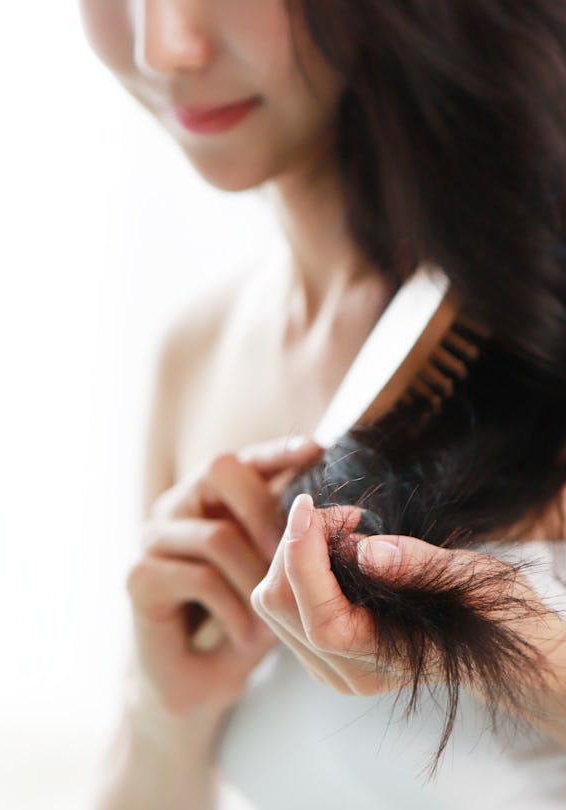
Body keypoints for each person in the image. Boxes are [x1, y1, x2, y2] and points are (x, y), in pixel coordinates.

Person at [79, 1, 566, 807]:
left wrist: (507, 649)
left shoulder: (537, 315)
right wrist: (166, 713)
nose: (164, 46)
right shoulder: (196, 353)